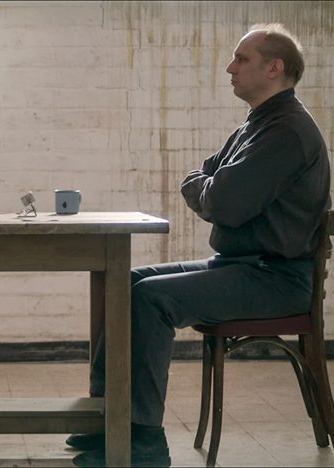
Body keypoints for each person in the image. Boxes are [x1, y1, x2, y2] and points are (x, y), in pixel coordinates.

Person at [68, 23, 331, 467]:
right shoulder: (260, 123)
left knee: (150, 298)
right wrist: (207, 185)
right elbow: (205, 180)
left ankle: (144, 441)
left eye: (241, 59)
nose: (230, 68)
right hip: (244, 267)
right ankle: (108, 419)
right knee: (125, 281)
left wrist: (207, 186)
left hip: (276, 278)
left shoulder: (285, 131)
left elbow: (223, 203)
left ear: (274, 68)